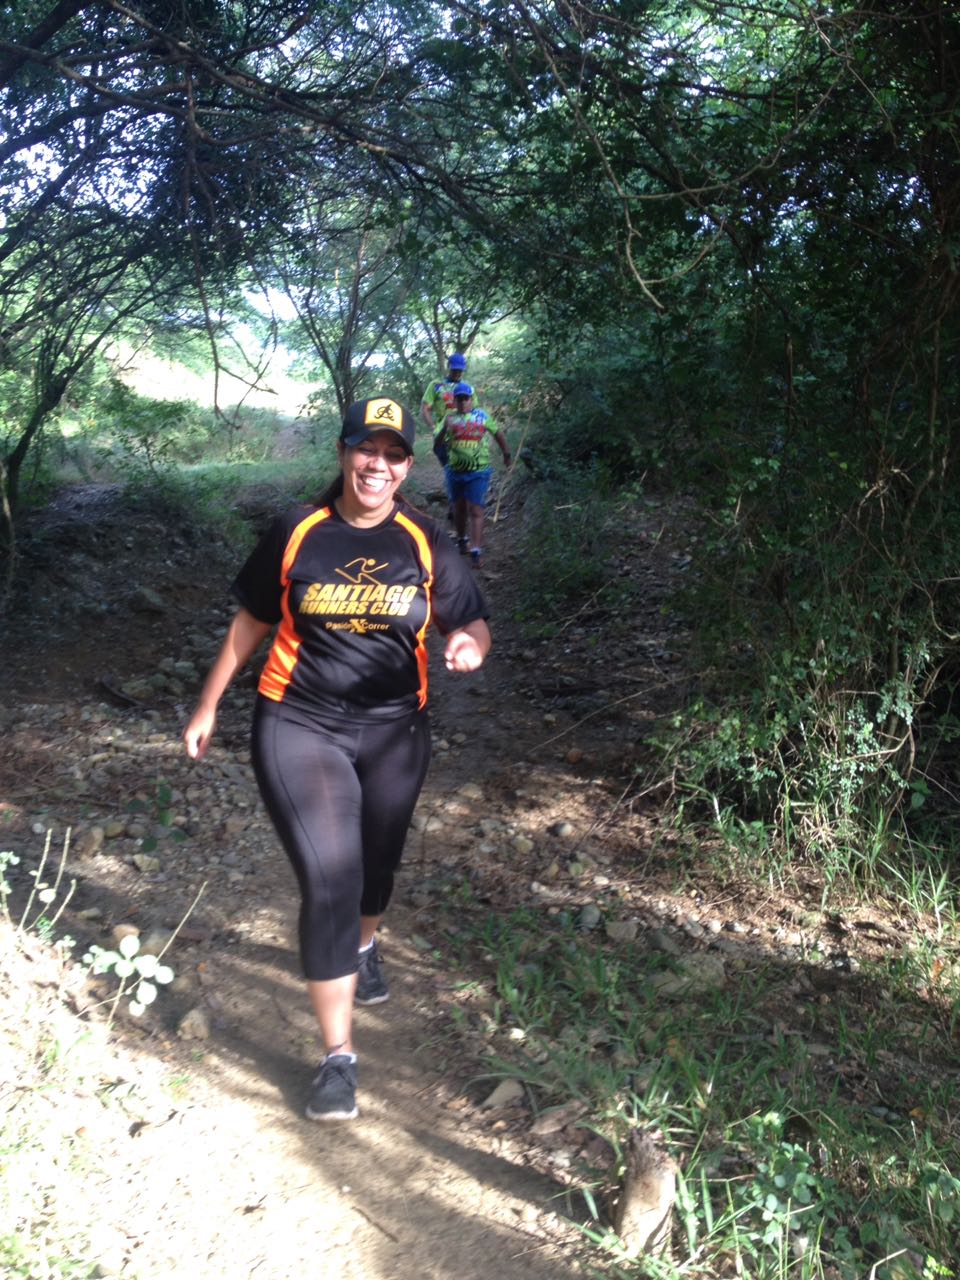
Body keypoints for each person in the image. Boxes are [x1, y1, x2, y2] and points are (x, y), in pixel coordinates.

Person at [183, 396, 491, 1123]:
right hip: (299, 722)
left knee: (376, 865)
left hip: (395, 731)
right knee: (331, 878)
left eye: (393, 454)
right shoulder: (297, 530)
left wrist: (469, 643)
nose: (377, 465)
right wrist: (207, 704)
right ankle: (338, 1056)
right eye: (365, 449)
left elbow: (472, 618)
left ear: (407, 466)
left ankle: (365, 942)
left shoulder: (425, 539)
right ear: (344, 453)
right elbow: (252, 620)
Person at [436, 381, 510, 569]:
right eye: (459, 399)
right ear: (454, 401)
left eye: (466, 398)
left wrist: (506, 453)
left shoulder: (482, 416)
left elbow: (498, 433)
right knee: (459, 508)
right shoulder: (448, 418)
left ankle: (476, 550)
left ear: (471, 399)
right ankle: (462, 540)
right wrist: (444, 429)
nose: (462, 402)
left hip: (478, 471)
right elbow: (437, 443)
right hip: (455, 471)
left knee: (476, 510)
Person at [420, 351, 468, 530]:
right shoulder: (436, 385)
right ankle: (455, 507)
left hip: (463, 436)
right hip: (443, 436)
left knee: (461, 470)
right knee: (451, 470)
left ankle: (456, 506)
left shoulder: (466, 388)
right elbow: (425, 408)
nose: (457, 373)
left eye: (460, 370)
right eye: (454, 369)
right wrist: (434, 427)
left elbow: (474, 410)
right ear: (449, 367)